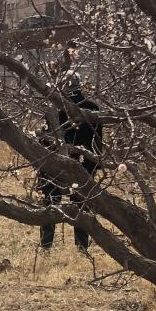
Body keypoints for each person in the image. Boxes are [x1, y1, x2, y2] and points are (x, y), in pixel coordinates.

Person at [37, 74, 103, 252]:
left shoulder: (55, 108)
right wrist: (96, 165)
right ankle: (82, 247)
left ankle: (45, 246)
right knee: (81, 205)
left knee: (51, 202)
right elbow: (98, 143)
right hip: (84, 164)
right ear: (79, 86)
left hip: (56, 164)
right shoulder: (93, 107)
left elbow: (47, 139)